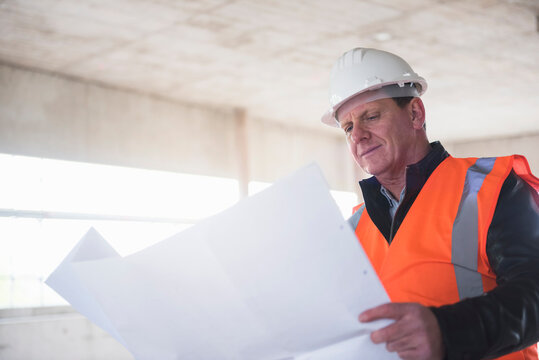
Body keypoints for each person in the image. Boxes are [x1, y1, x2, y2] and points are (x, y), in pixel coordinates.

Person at [321, 48, 539, 360]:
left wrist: (447, 331)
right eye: (348, 127)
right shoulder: (354, 228)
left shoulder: (492, 187)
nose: (359, 136)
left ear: (415, 114)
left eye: (371, 117)